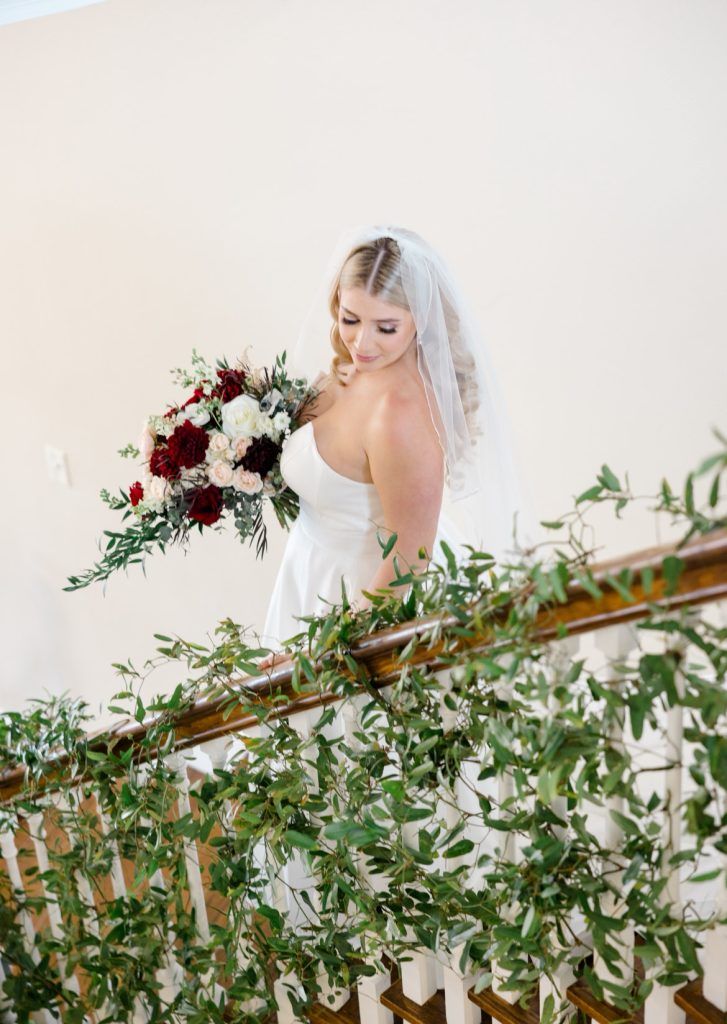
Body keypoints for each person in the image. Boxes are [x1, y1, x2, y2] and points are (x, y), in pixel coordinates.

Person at [257, 225, 536, 670]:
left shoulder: (400, 416)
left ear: (420, 321)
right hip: (309, 572)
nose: (362, 343)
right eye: (350, 319)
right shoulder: (350, 374)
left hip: (360, 600)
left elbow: (411, 556)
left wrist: (326, 652)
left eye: (385, 327)